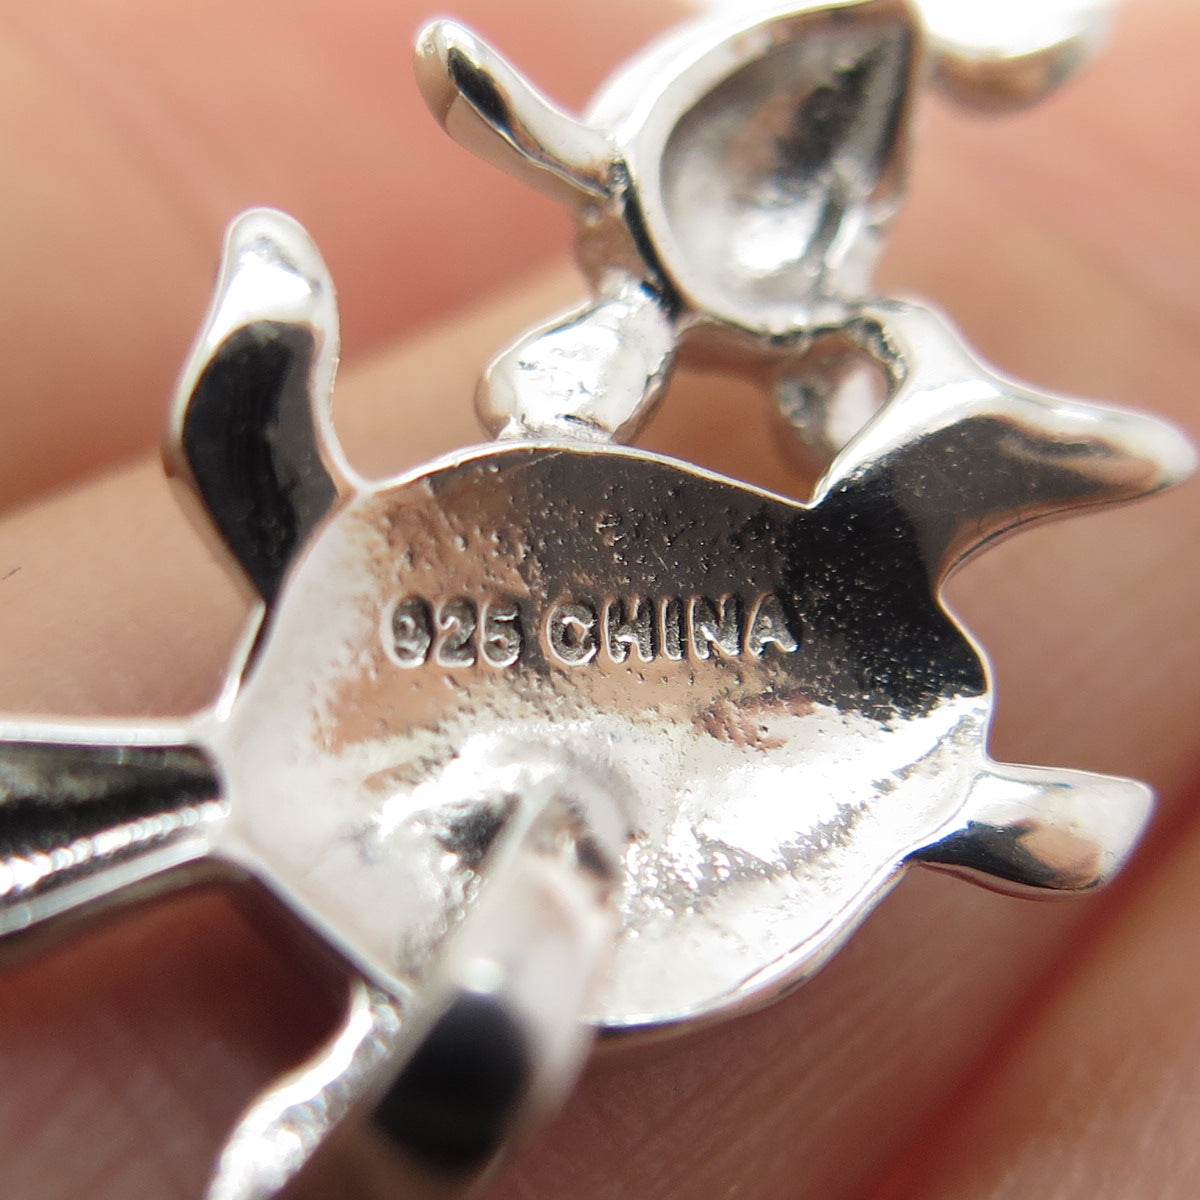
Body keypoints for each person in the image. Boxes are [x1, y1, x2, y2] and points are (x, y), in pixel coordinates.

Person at [0, 0, 1196, 1196]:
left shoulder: (861, 649)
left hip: (696, 731)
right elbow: (250, 442)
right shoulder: (865, 593)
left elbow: (248, 437)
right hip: (672, 719)